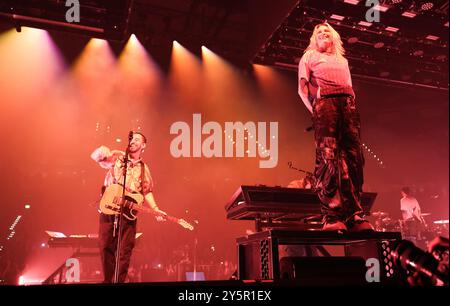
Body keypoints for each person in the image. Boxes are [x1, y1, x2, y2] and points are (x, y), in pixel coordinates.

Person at [297, 22, 373, 232]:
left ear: (333, 37)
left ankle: (354, 215)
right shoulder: (309, 57)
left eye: (326, 31)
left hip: (348, 105)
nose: (323, 33)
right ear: (314, 38)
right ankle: (331, 215)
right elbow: (302, 90)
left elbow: (349, 86)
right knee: (329, 157)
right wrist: (316, 110)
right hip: (325, 105)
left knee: (353, 158)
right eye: (319, 32)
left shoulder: (342, 60)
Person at [91, 131, 167, 283]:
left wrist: (156, 209)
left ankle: (119, 281)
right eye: (132, 138)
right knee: (105, 246)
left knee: (124, 251)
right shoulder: (118, 157)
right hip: (109, 208)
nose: (133, 141)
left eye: (137, 139)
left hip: (128, 213)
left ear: (143, 145)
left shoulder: (144, 169)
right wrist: (102, 153)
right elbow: (98, 158)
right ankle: (108, 280)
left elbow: (147, 192)